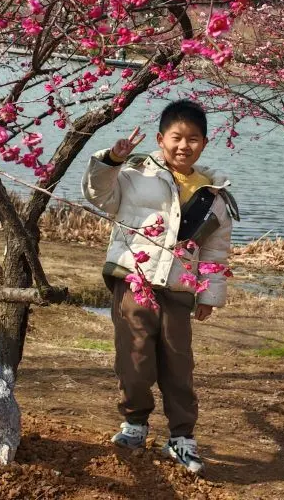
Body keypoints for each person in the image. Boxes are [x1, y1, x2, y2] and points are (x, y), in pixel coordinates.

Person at [82, 100, 239, 475]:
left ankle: (181, 437)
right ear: (160, 139)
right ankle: (134, 424)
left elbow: (215, 251)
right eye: (176, 137)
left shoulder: (214, 194)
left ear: (204, 143)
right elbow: (98, 195)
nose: (184, 146)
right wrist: (111, 160)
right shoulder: (136, 174)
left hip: (179, 289)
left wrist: (209, 295)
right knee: (135, 356)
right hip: (134, 280)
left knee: (178, 363)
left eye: (193, 139)